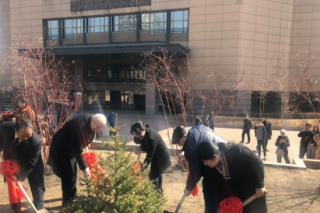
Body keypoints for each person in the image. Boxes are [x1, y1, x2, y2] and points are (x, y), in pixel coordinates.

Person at [48, 113, 107, 206]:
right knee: (68, 177)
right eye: (98, 127)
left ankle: (72, 196)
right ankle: (67, 204)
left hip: (70, 148)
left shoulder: (91, 120)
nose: (98, 130)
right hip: (61, 150)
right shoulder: (79, 128)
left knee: (73, 175)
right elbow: (78, 151)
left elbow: (87, 137)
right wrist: (85, 168)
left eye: (101, 128)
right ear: (93, 121)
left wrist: (87, 142)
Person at [197, 141, 267, 213]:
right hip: (239, 193)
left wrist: (260, 185)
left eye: (205, 161)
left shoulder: (237, 151)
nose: (204, 164)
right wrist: (224, 205)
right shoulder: (213, 168)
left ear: (215, 157)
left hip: (253, 189)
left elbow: (257, 163)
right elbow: (218, 188)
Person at [172, 124, 226, 213]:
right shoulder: (194, 130)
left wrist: (188, 187)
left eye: (179, 142)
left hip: (215, 163)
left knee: (209, 188)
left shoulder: (190, 148)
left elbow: (195, 172)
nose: (179, 145)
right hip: (221, 156)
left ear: (184, 136)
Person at [12, 119, 45, 211]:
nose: (26, 138)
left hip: (34, 165)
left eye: (28, 136)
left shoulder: (35, 141)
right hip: (23, 162)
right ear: (17, 131)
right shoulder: (14, 133)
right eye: (23, 136)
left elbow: (31, 164)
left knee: (37, 186)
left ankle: (38, 207)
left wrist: (20, 178)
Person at [131, 121, 170, 193]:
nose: (139, 137)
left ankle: (156, 194)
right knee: (154, 175)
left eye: (139, 135)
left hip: (162, 158)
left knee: (154, 175)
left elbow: (149, 156)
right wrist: (140, 149)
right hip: (155, 156)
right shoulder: (143, 134)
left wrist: (141, 169)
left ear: (144, 130)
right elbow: (145, 145)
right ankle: (157, 193)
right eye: (136, 136)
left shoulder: (152, 138)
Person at [0, 122, 22, 213]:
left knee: (14, 185)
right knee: (14, 185)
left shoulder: (6, 129)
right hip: (10, 162)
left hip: (11, 161)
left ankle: (16, 206)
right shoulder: (12, 133)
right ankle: (16, 207)